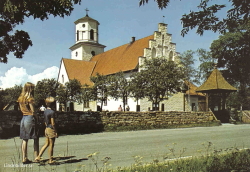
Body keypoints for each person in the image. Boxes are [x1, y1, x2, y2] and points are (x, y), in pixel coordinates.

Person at [17, 82, 39, 164]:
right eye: (32, 88)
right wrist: (37, 118)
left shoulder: (20, 98)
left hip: (23, 118)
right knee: (35, 138)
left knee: (25, 139)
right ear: (30, 89)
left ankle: (24, 158)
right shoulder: (30, 98)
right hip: (30, 118)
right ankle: (37, 157)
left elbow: (21, 109)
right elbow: (33, 111)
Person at [35, 97, 58, 164]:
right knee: (51, 145)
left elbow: (45, 121)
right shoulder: (52, 112)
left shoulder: (45, 111)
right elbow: (53, 123)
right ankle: (50, 160)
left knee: (46, 144)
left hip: (46, 128)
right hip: (51, 129)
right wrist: (56, 131)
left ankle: (38, 156)